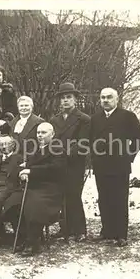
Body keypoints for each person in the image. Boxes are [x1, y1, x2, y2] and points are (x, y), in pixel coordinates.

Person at [89, 87, 140, 247]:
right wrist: (94, 157)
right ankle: (107, 231)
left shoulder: (128, 117)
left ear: (116, 99)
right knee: (104, 199)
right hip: (101, 166)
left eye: (109, 97)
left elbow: (138, 140)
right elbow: (91, 140)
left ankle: (121, 234)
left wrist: (128, 156)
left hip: (120, 166)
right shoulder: (96, 118)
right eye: (102, 97)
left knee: (119, 199)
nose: (105, 100)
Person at [16, 122, 67, 256]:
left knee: (34, 203)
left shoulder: (57, 148)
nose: (40, 135)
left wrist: (30, 171)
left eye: (43, 132)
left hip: (50, 189)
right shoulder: (38, 148)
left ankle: (33, 241)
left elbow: (54, 169)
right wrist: (25, 169)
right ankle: (24, 236)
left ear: (52, 134)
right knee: (14, 201)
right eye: (38, 132)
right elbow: (34, 163)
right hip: (34, 186)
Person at [49, 83, 91, 242]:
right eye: (63, 98)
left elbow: (83, 143)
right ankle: (64, 228)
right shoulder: (54, 120)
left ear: (75, 99)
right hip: (57, 163)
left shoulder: (83, 119)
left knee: (74, 194)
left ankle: (80, 230)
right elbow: (51, 141)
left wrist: (66, 152)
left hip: (75, 163)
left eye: (69, 97)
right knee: (60, 195)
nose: (66, 101)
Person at [9, 96, 44, 161]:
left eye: (26, 105)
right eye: (21, 106)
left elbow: (42, 144)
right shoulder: (12, 123)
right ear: (18, 107)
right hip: (13, 159)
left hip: (31, 158)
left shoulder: (39, 122)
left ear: (32, 107)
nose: (24, 108)